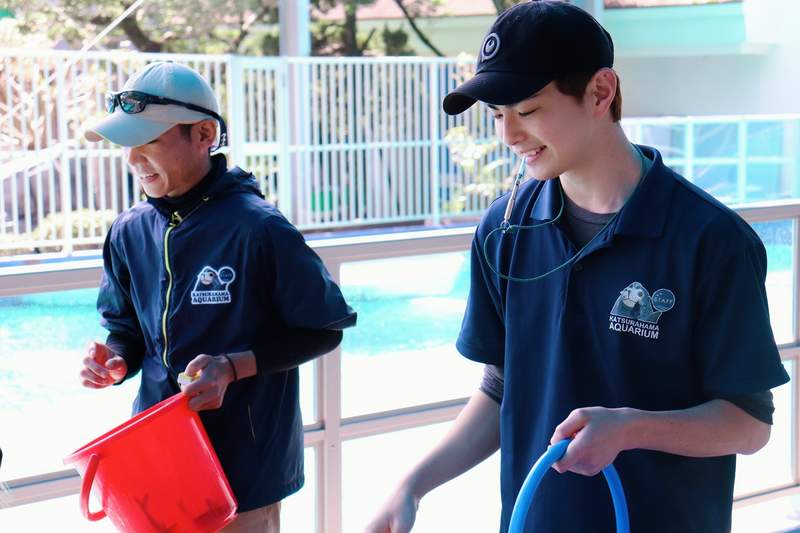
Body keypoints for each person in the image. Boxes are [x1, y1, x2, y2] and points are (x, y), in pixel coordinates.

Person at [365, 2, 789, 532]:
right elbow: (502, 389)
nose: (509, 135)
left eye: (528, 110)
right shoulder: (503, 230)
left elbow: (748, 424)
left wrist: (630, 429)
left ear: (600, 92)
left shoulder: (709, 240)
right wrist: (413, 485)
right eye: (498, 115)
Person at [78, 61, 356, 533]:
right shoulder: (130, 231)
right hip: (160, 458)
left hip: (244, 470)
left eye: (149, 143)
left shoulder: (259, 228)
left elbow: (324, 328)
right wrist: (115, 359)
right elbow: (125, 328)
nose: (134, 160)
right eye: (128, 147)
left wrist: (233, 367)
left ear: (204, 133)